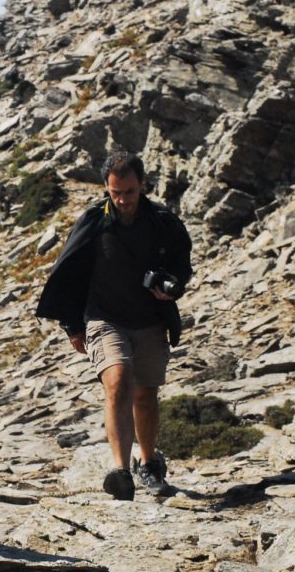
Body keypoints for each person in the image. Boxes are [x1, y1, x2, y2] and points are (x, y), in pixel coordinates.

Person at [36, 152, 193, 500]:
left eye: (130, 192)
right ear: (106, 188)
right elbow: (69, 271)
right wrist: (71, 324)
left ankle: (149, 463)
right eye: (116, 192)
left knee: (145, 395)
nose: (123, 200)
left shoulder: (163, 223)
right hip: (104, 319)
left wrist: (172, 287)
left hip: (150, 320)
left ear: (142, 185)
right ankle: (121, 471)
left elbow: (182, 264)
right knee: (118, 381)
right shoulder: (94, 223)